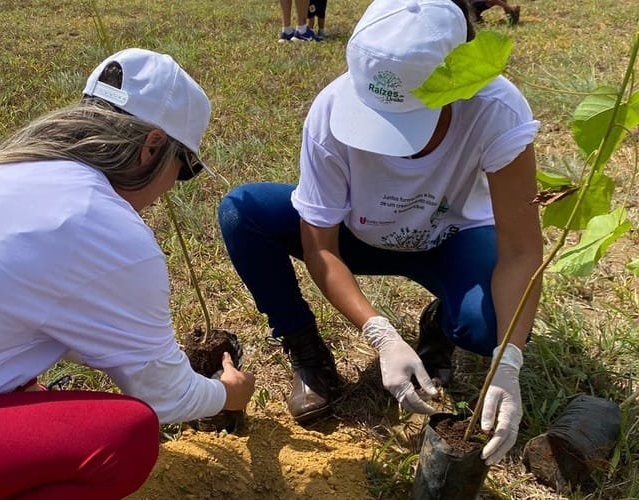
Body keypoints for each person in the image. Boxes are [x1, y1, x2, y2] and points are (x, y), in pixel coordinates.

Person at [0, 48, 255, 500]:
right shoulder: (101, 223)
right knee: (125, 436)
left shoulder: (2, 175)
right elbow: (165, 395)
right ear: (152, 146)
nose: (175, 183)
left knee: (25, 383)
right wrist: (227, 394)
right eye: (185, 166)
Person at [219, 0, 541, 467]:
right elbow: (320, 246)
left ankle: (442, 322)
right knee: (242, 212)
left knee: (488, 329)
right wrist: (380, 334)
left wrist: (508, 360)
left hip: (449, 240)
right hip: (357, 235)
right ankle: (306, 349)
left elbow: (521, 250)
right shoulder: (331, 108)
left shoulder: (495, 108)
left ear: (459, 80)